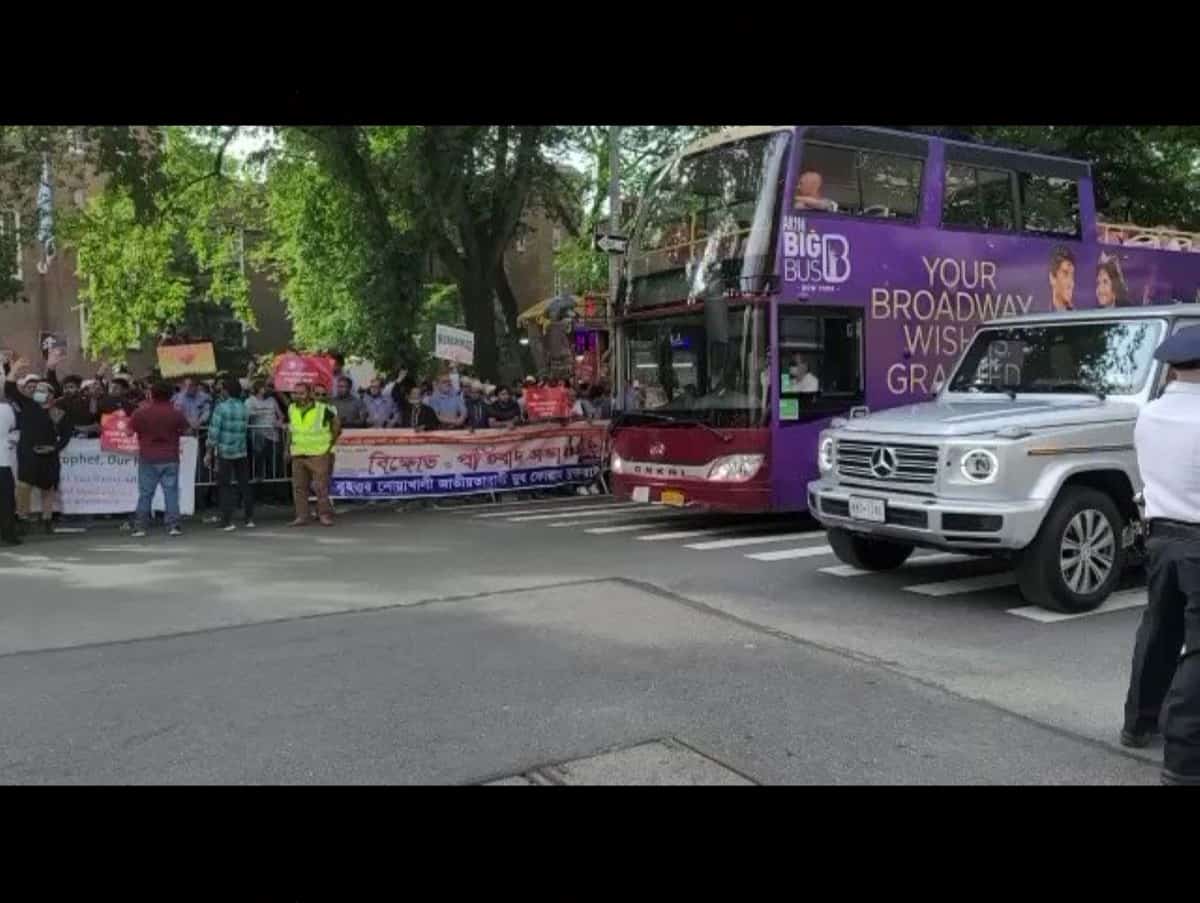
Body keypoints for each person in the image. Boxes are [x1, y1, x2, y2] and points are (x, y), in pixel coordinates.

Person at [1123, 325, 1200, 785]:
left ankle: (1138, 723)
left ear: (1172, 368)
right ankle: (1185, 758)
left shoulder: (1150, 415)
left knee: (1158, 630)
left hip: (1160, 536)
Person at [128, 381, 191, 538]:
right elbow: (188, 429)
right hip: (170, 457)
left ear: (151, 394)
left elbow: (129, 432)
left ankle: (140, 526)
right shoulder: (176, 413)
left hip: (147, 457)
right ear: (171, 395)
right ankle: (173, 526)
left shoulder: (140, 412)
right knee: (171, 493)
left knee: (145, 493)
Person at [286, 382, 340, 527]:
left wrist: (329, 445)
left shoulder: (323, 409)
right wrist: (287, 450)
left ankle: (324, 515)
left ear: (309, 393)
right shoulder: (291, 408)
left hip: (318, 453)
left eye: (301, 393)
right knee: (299, 487)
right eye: (295, 393)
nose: (298, 396)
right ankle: (302, 516)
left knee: (320, 487)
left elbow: (336, 426)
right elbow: (291, 430)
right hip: (298, 453)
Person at [206, 378, 255, 532]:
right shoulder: (244, 407)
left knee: (225, 486)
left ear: (226, 391)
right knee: (244, 484)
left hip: (225, 451)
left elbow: (214, 432)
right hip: (241, 450)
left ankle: (227, 521)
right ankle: (249, 518)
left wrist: (208, 452)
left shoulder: (221, 408)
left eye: (222, 389)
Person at [0, 396, 17, 545]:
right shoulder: (6, 408)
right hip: (3, 462)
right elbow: (13, 426)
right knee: (6, 501)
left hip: (3, 460)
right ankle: (8, 534)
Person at [1049, 245, 1076, 311]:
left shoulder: (1077, 315)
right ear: (1052, 278)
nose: (1071, 283)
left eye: (1072, 276)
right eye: (1065, 274)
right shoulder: (1043, 312)